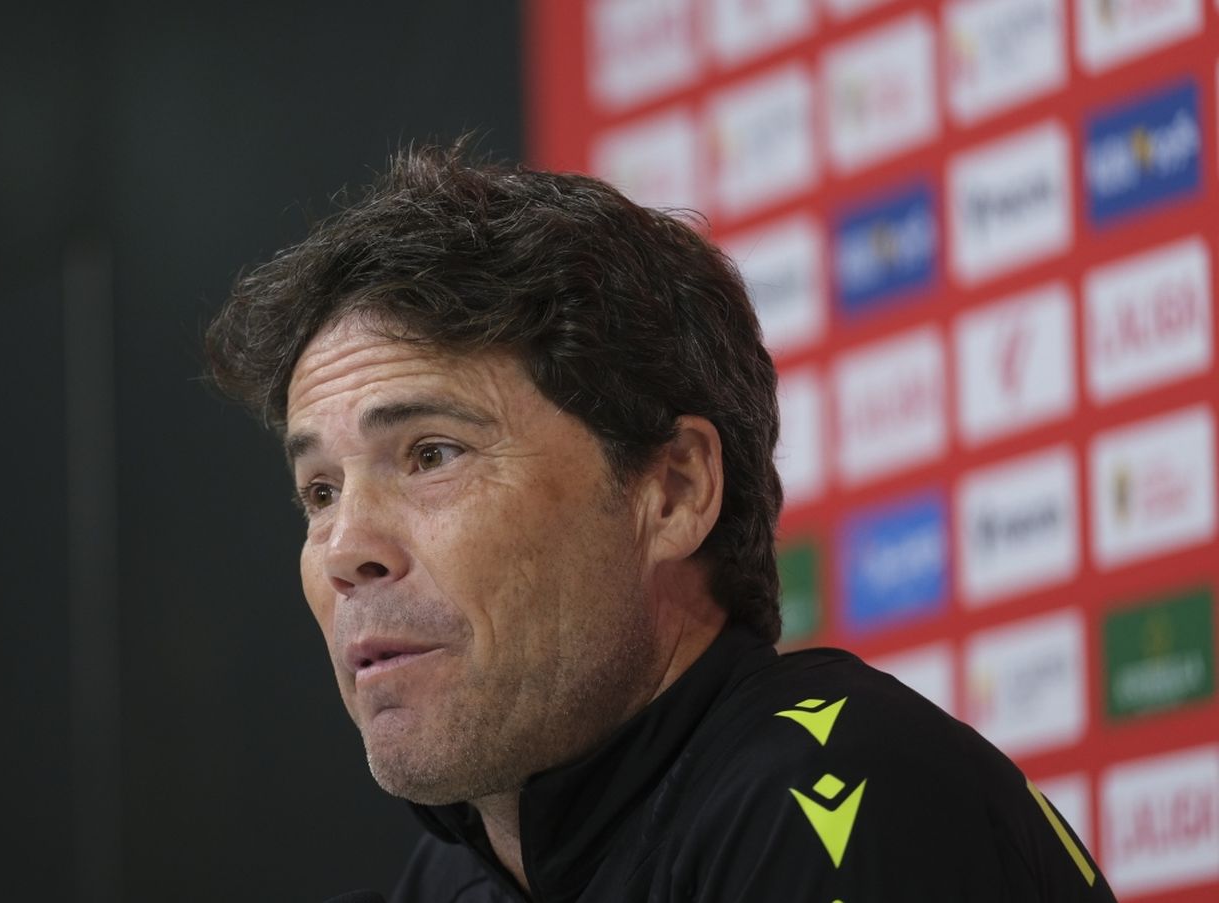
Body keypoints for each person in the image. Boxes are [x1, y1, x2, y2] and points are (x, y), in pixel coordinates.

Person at [204, 143, 1115, 902]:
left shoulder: (837, 797)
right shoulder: (457, 876)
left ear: (672, 491)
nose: (345, 549)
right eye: (319, 490)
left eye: (432, 453)